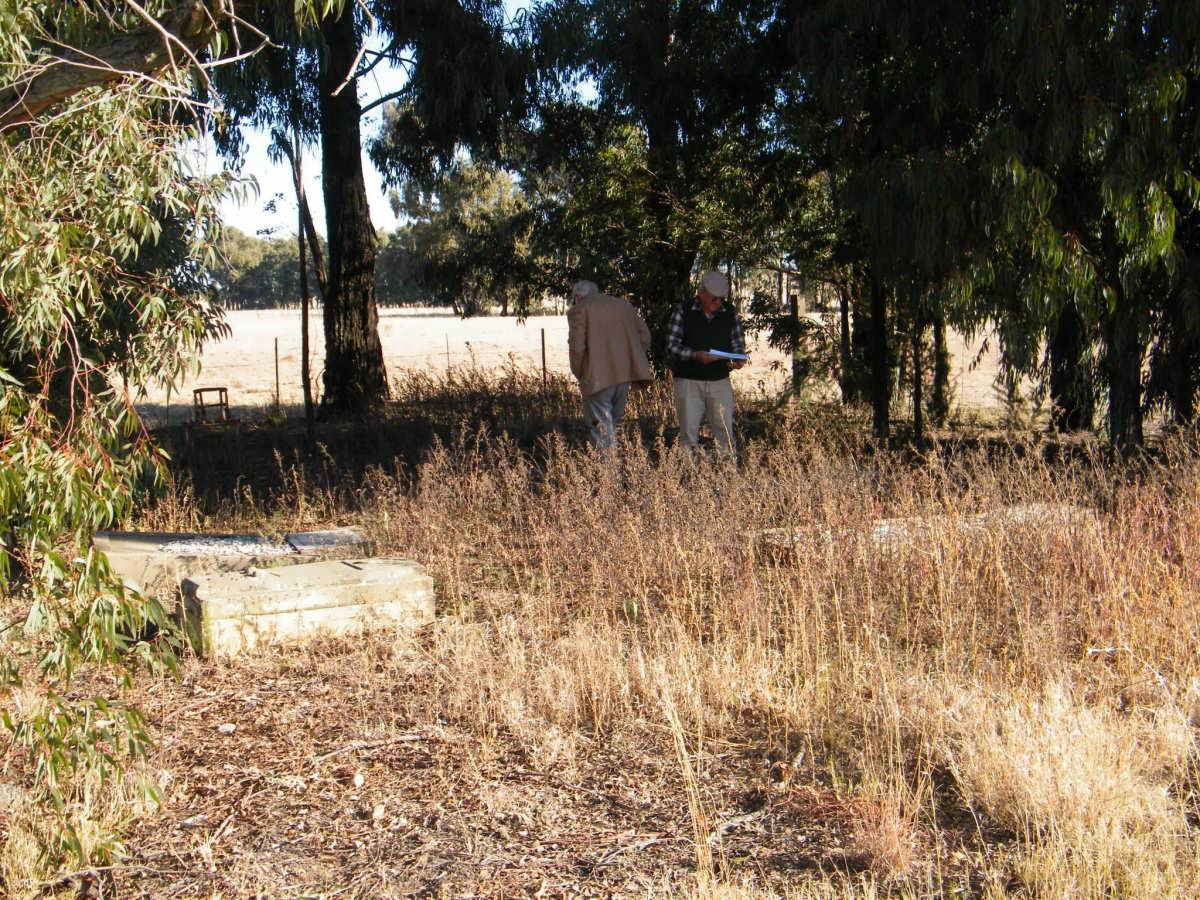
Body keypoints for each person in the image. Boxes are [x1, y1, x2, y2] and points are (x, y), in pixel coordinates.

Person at [666, 270, 748, 457]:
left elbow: (737, 343)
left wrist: (738, 358)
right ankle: (689, 474)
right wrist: (695, 355)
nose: (719, 303)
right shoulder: (683, 311)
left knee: (724, 429)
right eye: (714, 299)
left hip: (719, 380)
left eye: (721, 299)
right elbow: (671, 346)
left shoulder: (729, 313)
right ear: (701, 293)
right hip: (688, 381)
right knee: (688, 432)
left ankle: (727, 470)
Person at [567, 280, 653, 450]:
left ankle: (608, 473)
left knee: (600, 430)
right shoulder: (624, 306)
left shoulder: (580, 309)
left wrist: (580, 372)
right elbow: (645, 337)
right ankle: (615, 465)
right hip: (624, 377)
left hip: (596, 378)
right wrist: (629, 361)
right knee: (611, 425)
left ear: (578, 297)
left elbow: (576, 349)